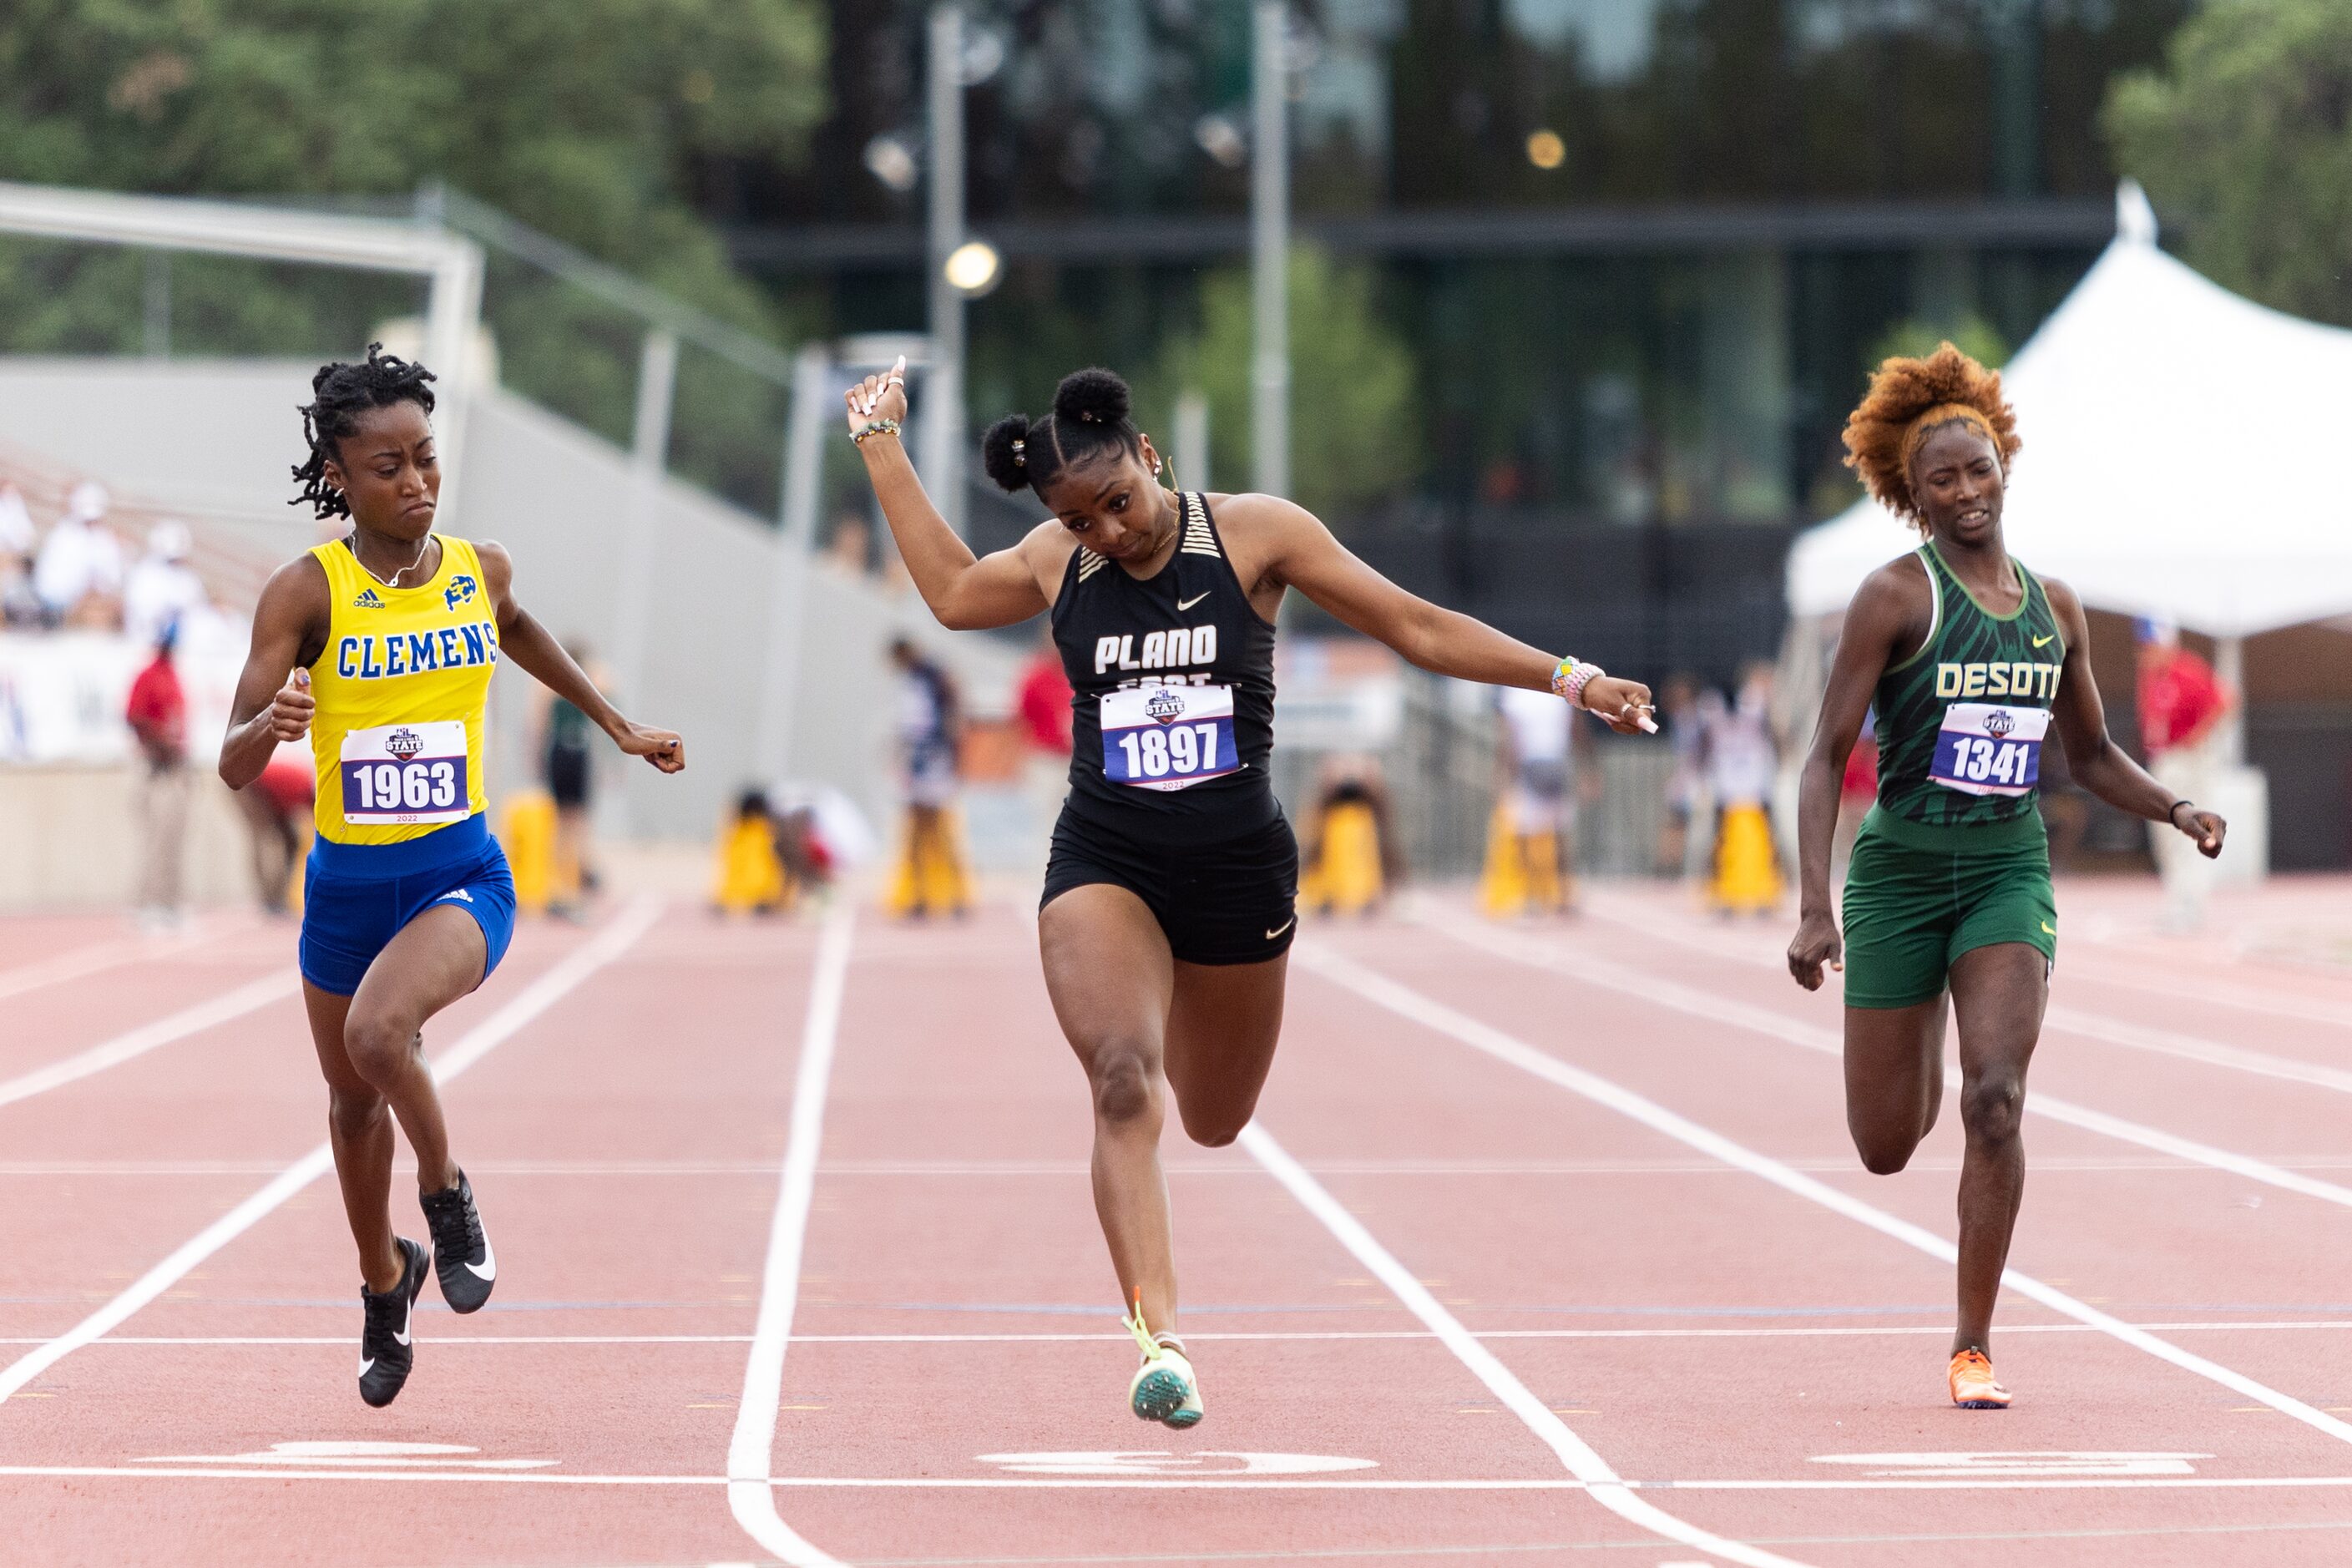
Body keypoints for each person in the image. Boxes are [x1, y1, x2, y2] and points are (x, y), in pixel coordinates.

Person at [844, 360, 1651, 1427]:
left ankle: (1186, 1059)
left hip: (1238, 873)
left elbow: (1413, 625)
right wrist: (879, 441)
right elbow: (951, 594)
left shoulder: (1254, 535)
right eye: (1081, 522)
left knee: (1218, 1119)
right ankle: (1160, 1344)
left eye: (1120, 503)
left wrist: (1570, 678)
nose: (1110, 535)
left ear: (1152, 459)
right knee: (1126, 1081)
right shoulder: (1056, 563)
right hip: (1107, 858)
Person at [216, 345, 684, 1408]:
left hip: (459, 878)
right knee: (346, 1105)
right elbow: (229, 762)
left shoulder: (483, 570)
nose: (417, 484)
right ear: (340, 473)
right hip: (345, 888)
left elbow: (519, 633)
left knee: (380, 1037)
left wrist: (614, 725)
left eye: (427, 459)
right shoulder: (306, 594)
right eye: (389, 468)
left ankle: (447, 1193)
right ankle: (387, 1283)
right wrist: (267, 724)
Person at [1787, 343, 2226, 1412]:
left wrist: (2173, 805)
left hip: (2003, 873)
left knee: (1998, 1100)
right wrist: (1813, 904)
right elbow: (1823, 753)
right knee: (1887, 1145)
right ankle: (1920, 1020)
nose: (1966, 492)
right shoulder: (1893, 598)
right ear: (1913, 495)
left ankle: (1972, 1345)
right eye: (1941, 479)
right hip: (1897, 876)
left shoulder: (2054, 608)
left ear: (2003, 468)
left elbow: (2088, 756)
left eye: (1978, 470)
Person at [2134, 618, 2233, 929]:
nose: (2145, 651)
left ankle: (2189, 904)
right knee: (2165, 834)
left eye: (2151, 644)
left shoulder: (2186, 669)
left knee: (2188, 831)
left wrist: (2198, 737)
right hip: (2164, 759)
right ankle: (2179, 901)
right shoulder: (2151, 676)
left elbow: (2226, 700)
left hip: (2187, 760)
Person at [885, 635, 971, 918]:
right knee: (916, 831)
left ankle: (958, 894)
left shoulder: (935, 675)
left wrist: (954, 755)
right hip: (916, 761)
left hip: (935, 758)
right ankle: (919, 894)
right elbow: (905, 725)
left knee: (941, 828)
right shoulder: (909, 681)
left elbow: (954, 714)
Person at [1485, 681, 1577, 916]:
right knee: (1558, 831)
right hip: (1556, 760)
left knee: (1525, 831)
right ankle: (1563, 893)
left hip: (1530, 764)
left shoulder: (1515, 691)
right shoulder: (1561, 684)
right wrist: (1588, 765)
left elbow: (1509, 735)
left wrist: (1504, 772)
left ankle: (1533, 895)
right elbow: (1577, 726)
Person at [124, 620, 191, 928]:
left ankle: (169, 903)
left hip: (174, 765)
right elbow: (134, 717)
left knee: (173, 838)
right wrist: (160, 746)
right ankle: (147, 904)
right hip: (154, 766)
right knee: (156, 839)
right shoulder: (148, 675)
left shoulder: (173, 675)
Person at [541, 641, 604, 919]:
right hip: (576, 754)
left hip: (560, 753)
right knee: (576, 823)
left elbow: (539, 723)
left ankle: (561, 886)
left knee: (562, 823)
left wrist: (538, 758)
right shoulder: (589, 680)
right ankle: (571, 888)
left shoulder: (547, 682)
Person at [33, 481, 124, 628]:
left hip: (92, 603)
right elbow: (50, 585)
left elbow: (112, 578)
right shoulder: (62, 537)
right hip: (60, 608)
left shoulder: (104, 539)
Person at [124, 520, 210, 648]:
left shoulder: (189, 578)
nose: (174, 562)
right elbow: (141, 612)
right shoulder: (143, 575)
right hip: (147, 643)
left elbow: (199, 611)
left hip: (182, 646)